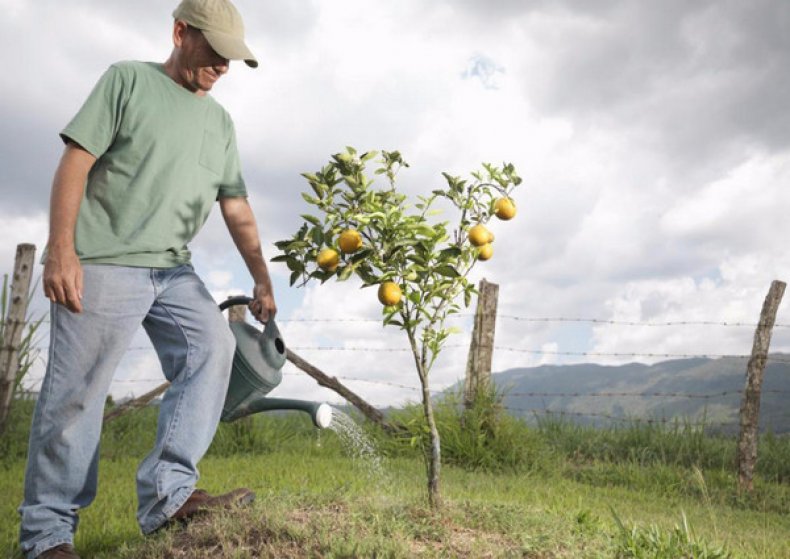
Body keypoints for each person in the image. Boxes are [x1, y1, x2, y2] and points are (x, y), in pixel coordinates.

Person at [18, 1, 277, 557]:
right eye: (215, 53)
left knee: (212, 347)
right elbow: (76, 161)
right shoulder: (127, 80)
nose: (224, 67)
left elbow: (236, 207)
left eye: (233, 59)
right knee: (77, 396)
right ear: (181, 32)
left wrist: (262, 278)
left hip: (173, 269)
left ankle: (170, 495)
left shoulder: (220, 123)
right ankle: (46, 537)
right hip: (103, 260)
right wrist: (61, 249)